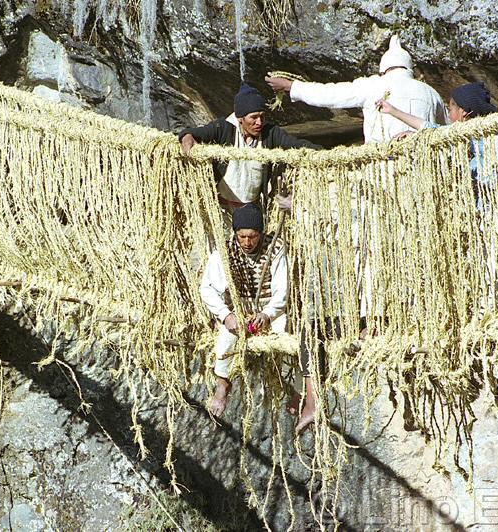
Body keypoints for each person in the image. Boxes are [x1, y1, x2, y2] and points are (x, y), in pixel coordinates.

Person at [265, 35, 446, 144]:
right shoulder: (431, 93)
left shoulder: (373, 85)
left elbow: (331, 95)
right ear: (409, 68)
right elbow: (445, 130)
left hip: (383, 169)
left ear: (384, 68)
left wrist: (292, 86)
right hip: (423, 170)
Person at [177, 82, 321, 218]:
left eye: (262, 116)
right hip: (221, 210)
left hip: (252, 209)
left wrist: (321, 153)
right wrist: (187, 138)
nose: (259, 122)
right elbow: (194, 133)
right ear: (240, 118)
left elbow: (295, 144)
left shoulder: (270, 133)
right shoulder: (223, 128)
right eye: (254, 117)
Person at [199, 203, 288, 416]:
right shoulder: (225, 250)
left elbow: (282, 289)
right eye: (242, 237)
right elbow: (207, 288)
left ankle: (284, 387)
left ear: (261, 233)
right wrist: (226, 315)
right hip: (238, 310)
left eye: (252, 236)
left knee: (283, 340)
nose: (247, 243)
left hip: (269, 311)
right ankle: (222, 385)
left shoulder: (275, 248)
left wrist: (267, 314)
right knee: (226, 339)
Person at [377, 81, 498, 210]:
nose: (449, 115)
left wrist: (415, 136)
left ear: (464, 112)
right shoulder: (482, 131)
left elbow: (436, 133)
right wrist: (393, 111)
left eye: (450, 109)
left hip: (489, 204)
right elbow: (434, 131)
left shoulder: (471, 134)